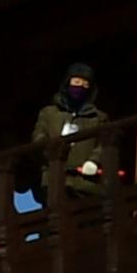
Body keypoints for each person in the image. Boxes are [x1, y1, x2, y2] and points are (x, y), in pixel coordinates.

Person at [31, 59, 114, 203]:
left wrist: (94, 162)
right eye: (76, 83)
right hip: (53, 179)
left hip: (85, 183)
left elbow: (105, 143)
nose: (80, 87)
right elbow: (38, 137)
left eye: (85, 84)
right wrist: (51, 151)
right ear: (67, 83)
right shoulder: (49, 113)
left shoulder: (99, 118)